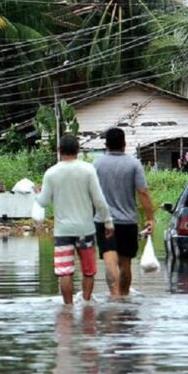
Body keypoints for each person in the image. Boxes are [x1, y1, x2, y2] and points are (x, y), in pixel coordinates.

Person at [36, 135, 114, 305]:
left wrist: (37, 192)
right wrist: (107, 221)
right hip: (85, 230)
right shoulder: (88, 170)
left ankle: (68, 307)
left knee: (65, 272)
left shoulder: (51, 173)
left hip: (62, 231)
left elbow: (43, 202)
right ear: (78, 150)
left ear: (59, 151)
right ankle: (86, 304)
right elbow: (99, 199)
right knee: (88, 271)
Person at [93, 127, 155, 296]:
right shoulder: (133, 164)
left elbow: (92, 194)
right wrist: (150, 218)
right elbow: (143, 192)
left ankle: (114, 297)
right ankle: (124, 297)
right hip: (128, 222)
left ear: (106, 145)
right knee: (125, 263)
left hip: (104, 221)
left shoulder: (97, 165)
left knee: (109, 261)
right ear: (124, 144)